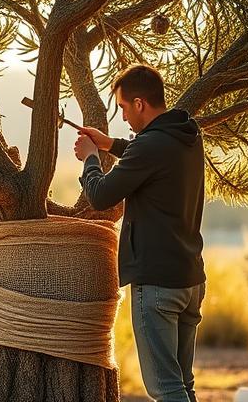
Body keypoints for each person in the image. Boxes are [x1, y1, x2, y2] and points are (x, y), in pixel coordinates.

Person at [73, 64, 206, 402]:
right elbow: (149, 156)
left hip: (158, 284)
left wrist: (90, 159)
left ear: (139, 103)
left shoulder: (149, 147)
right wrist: (110, 145)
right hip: (190, 279)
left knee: (166, 388)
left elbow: (101, 196)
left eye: (123, 108)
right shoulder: (186, 135)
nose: (124, 117)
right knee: (182, 384)